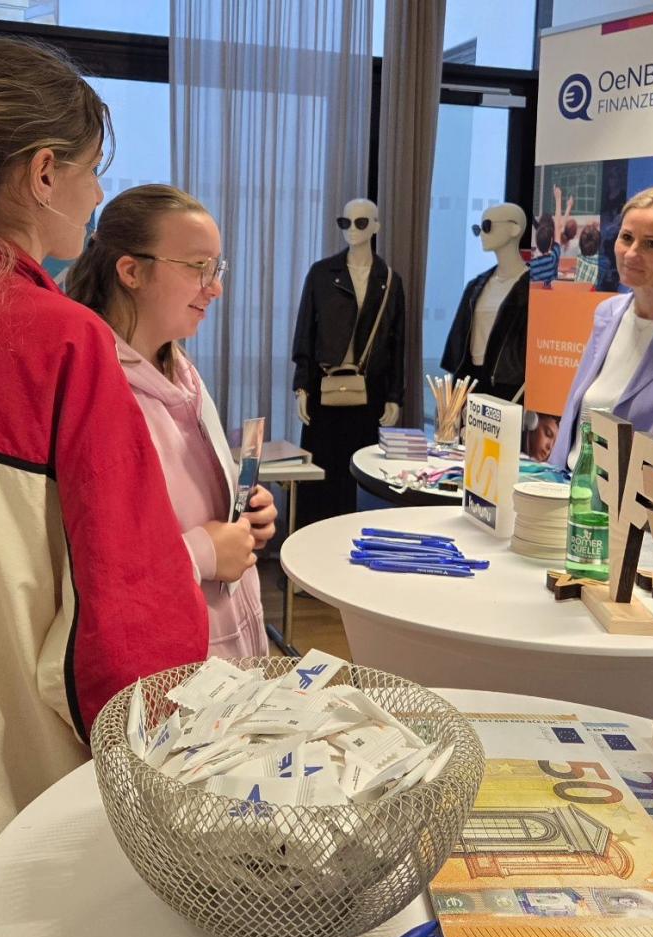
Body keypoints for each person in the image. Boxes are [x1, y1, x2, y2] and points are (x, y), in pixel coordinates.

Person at [0, 40, 207, 937]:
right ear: (43, 175)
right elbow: (130, 622)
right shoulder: (62, 343)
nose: (96, 191)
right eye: (92, 169)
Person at [66, 184, 276, 658]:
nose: (215, 287)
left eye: (217, 268)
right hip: (169, 659)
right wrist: (204, 552)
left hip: (227, 638)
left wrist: (240, 507)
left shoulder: (182, 371)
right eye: (199, 266)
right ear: (131, 271)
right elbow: (89, 566)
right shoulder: (98, 391)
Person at [292, 198, 405, 525]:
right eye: (345, 222)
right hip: (324, 388)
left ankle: (351, 540)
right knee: (320, 472)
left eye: (361, 222)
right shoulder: (322, 273)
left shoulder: (388, 279)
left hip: (369, 392)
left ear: (376, 226)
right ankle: (310, 543)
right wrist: (301, 387)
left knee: (359, 473)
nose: (352, 230)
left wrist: (395, 396)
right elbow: (305, 332)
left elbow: (398, 343)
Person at [551, 185, 653, 469]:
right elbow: (573, 416)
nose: (631, 254)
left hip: (637, 496)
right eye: (626, 237)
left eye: (651, 244)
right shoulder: (607, 314)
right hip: (568, 485)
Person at [441, 202, 529, 402]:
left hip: (508, 384)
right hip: (471, 380)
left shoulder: (530, 289)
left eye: (487, 226)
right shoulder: (476, 285)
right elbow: (460, 338)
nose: (481, 233)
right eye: (478, 228)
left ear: (514, 229)